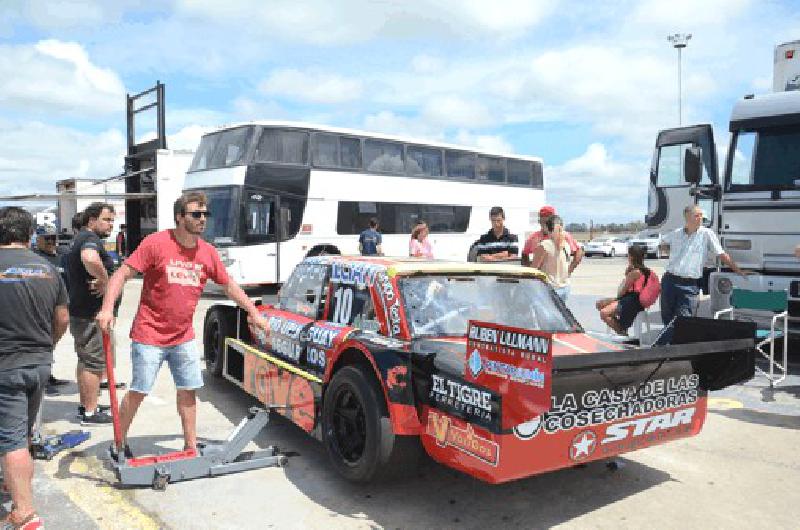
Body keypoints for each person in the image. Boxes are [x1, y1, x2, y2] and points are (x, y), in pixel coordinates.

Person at [96, 191, 270, 457]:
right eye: (196, 214)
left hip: (183, 337)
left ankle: (190, 447)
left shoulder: (207, 252)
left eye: (205, 214)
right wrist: (107, 308)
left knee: (188, 391)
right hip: (149, 334)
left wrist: (252, 312)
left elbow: (228, 285)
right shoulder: (156, 243)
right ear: (179, 217)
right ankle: (119, 443)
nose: (202, 220)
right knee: (139, 390)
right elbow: (122, 273)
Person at [0, 207, 69, 529]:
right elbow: (62, 320)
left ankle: (24, 513)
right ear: (28, 234)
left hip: (6, 366)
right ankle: (12, 483)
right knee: (20, 435)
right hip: (39, 363)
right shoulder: (47, 268)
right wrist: (47, 345)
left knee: (12, 440)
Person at [658, 204, 748, 342]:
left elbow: (722, 254)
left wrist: (738, 270)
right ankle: (669, 349)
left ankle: (663, 347)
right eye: (697, 215)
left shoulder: (707, 234)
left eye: (702, 216)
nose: (701, 218)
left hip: (689, 285)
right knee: (667, 318)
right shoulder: (676, 234)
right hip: (669, 281)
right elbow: (662, 243)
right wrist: (667, 250)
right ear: (687, 217)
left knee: (684, 320)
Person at [65, 202, 117, 425]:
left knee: (86, 361)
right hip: (90, 315)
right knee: (94, 363)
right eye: (106, 220)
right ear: (92, 220)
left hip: (82, 312)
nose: (111, 225)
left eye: (112, 220)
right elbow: (89, 258)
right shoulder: (90, 240)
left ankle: (87, 403)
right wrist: (106, 280)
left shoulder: (80, 238)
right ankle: (90, 411)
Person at [31, 226, 70, 392]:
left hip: (59, 307)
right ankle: (42, 380)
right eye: (47, 238)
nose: (51, 242)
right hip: (40, 309)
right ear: (37, 239)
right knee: (39, 344)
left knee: (51, 343)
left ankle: (48, 375)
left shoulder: (61, 257)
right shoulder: (35, 258)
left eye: (54, 238)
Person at [596, 245, 651, 335]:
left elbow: (621, 291)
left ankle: (621, 331)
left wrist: (627, 276)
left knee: (604, 313)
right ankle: (619, 325)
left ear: (632, 257)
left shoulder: (635, 272)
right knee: (600, 304)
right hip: (631, 298)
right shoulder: (643, 270)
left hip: (632, 301)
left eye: (628, 255)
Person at [522, 205, 584, 275]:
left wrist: (570, 270)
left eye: (546, 222)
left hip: (555, 282)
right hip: (550, 282)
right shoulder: (534, 237)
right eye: (542, 221)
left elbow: (579, 251)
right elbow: (524, 254)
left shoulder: (564, 237)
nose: (544, 224)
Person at [531, 215, 570, 300]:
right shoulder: (566, 245)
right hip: (565, 287)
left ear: (547, 228)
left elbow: (534, 269)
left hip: (549, 288)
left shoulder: (545, 245)